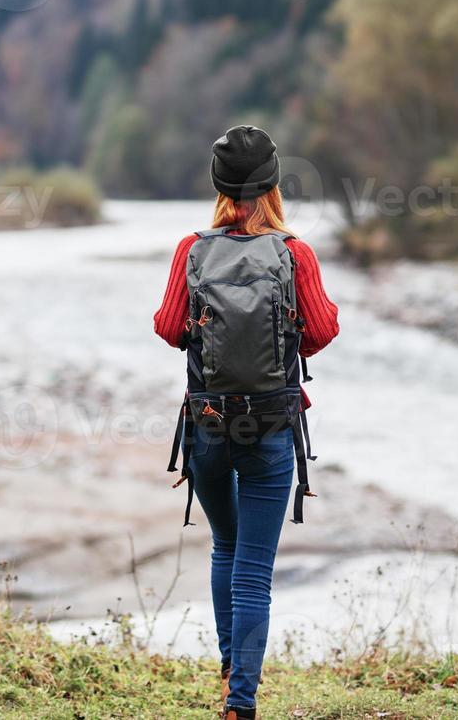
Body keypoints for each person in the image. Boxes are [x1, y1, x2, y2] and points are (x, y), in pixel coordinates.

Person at [152, 125, 340, 720]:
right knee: (254, 569)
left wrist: (209, 337)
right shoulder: (293, 253)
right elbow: (323, 330)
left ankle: (233, 667)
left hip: (208, 426)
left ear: (218, 186)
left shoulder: (192, 250)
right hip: (271, 429)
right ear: (275, 183)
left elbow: (166, 325)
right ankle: (241, 703)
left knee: (224, 548)